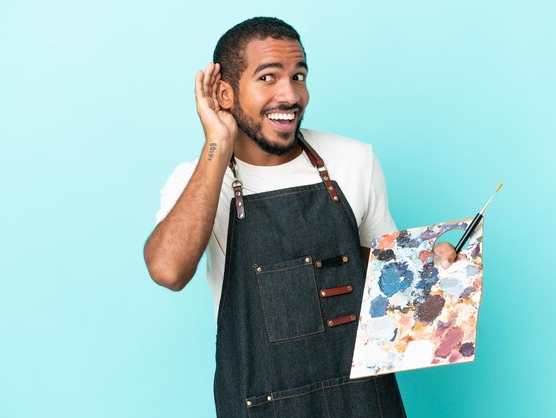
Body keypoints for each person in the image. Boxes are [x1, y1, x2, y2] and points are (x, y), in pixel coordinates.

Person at [144, 16, 457, 418]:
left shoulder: (353, 160)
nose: (290, 94)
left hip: (363, 402)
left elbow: (387, 281)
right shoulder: (200, 180)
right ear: (224, 93)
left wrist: (434, 270)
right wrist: (217, 146)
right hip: (260, 407)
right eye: (268, 78)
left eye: (299, 75)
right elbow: (168, 271)